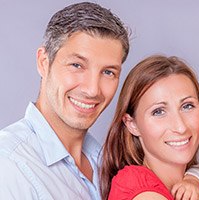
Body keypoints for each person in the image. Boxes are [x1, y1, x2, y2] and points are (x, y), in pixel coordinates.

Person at [0, 2, 129, 200]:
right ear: (44, 62)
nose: (92, 89)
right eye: (77, 65)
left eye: (108, 72)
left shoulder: (109, 163)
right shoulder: (8, 164)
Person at [100, 55, 199, 200]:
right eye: (159, 112)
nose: (180, 127)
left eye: (187, 106)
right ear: (132, 124)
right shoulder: (134, 184)